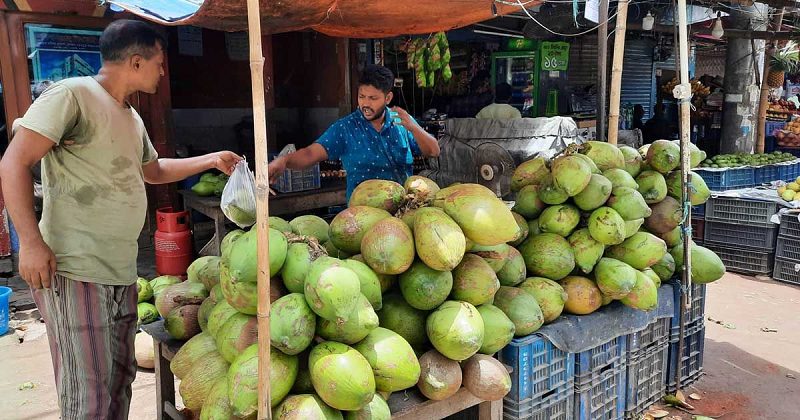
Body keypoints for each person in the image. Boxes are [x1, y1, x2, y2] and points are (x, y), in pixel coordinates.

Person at [0, 20, 241, 419]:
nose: (163, 72)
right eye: (159, 64)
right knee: (89, 393)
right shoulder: (73, 95)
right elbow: (13, 160)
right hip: (77, 269)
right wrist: (30, 241)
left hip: (120, 271)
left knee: (121, 378)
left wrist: (213, 159)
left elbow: (154, 170)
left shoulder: (131, 117)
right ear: (135, 61)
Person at [268, 64, 440, 200]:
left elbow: (434, 151)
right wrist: (285, 161)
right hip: (361, 218)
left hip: (403, 213)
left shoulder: (402, 121)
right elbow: (310, 154)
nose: (365, 104)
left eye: (373, 98)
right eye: (361, 96)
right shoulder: (345, 128)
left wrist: (414, 127)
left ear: (387, 98)